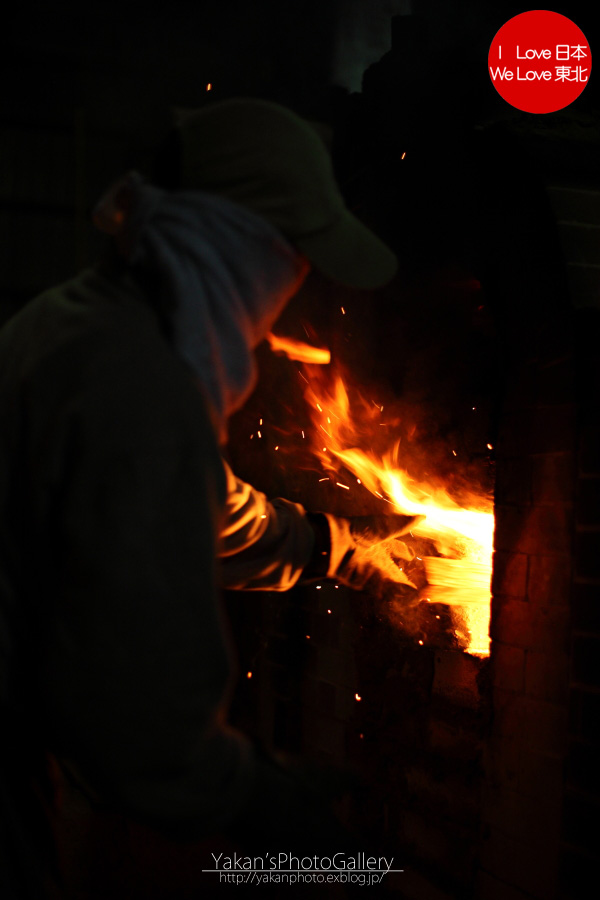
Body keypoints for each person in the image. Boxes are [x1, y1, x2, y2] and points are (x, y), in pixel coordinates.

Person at [0, 98, 418, 898]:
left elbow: (194, 502)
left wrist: (334, 546)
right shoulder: (139, 383)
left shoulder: (86, 321)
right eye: (294, 255)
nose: (293, 281)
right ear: (241, 243)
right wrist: (251, 792)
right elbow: (138, 714)